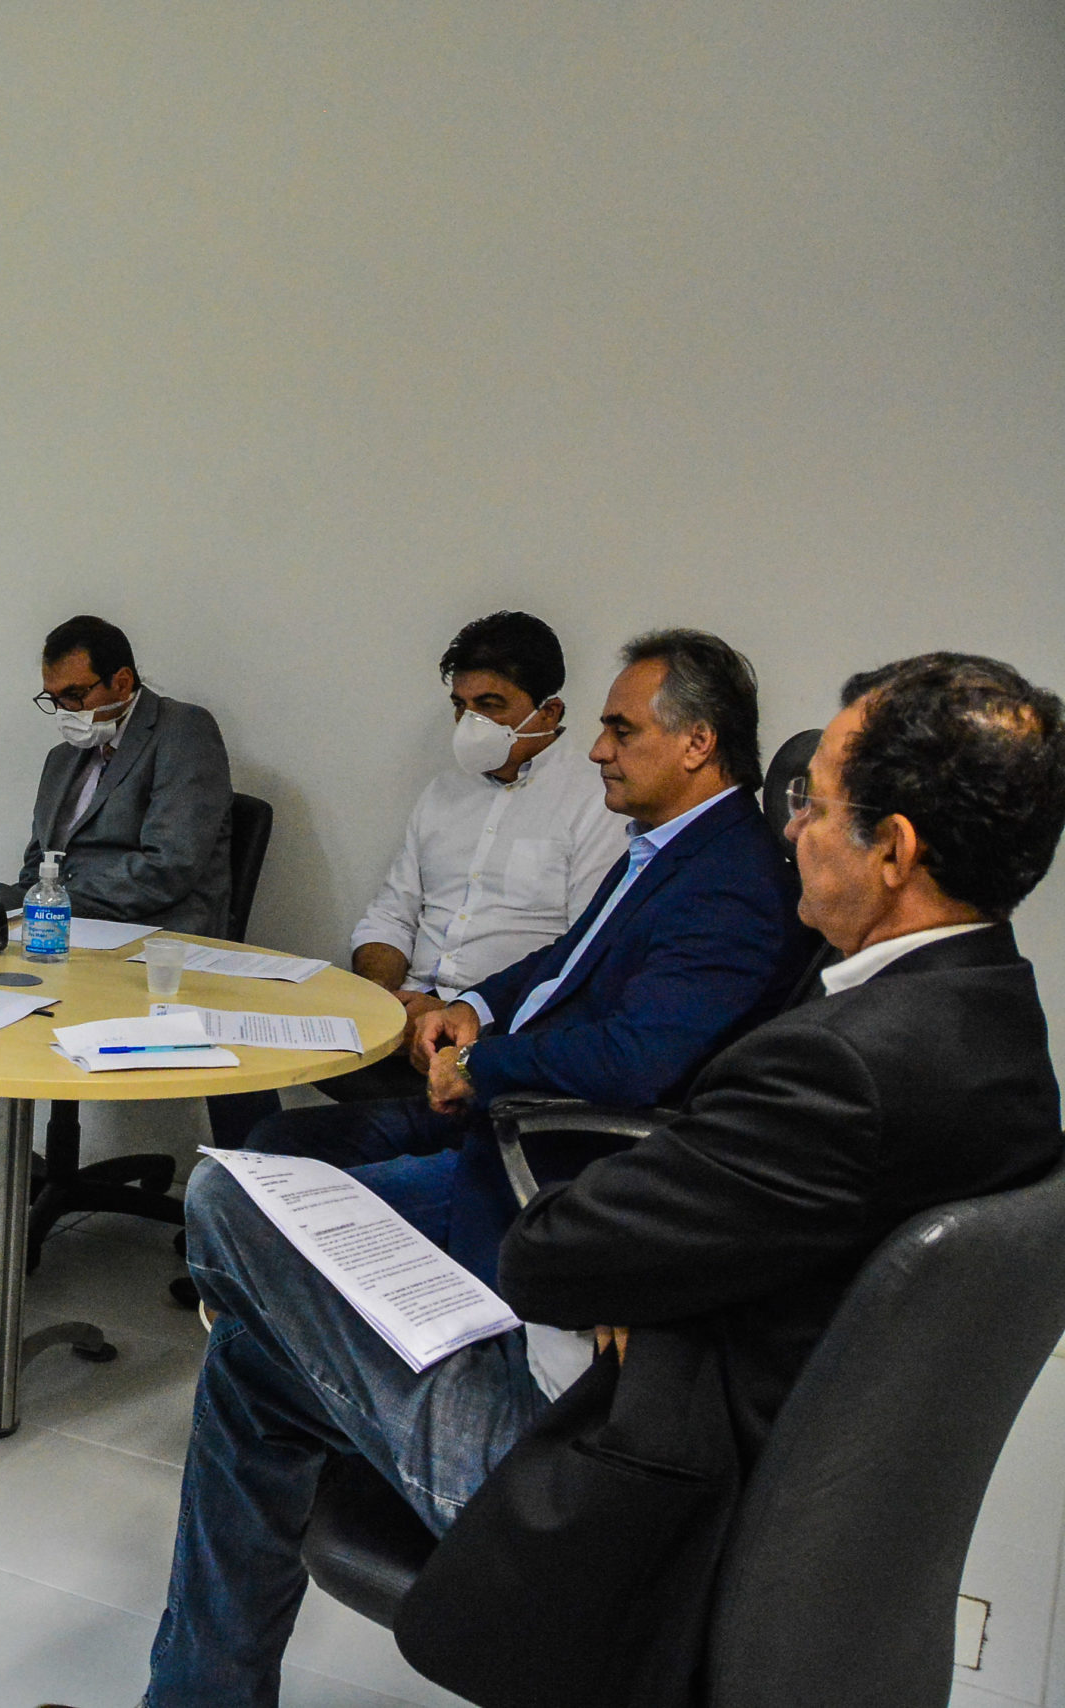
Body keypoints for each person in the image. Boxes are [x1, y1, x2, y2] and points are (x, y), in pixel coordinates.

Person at [146, 651, 1065, 1707]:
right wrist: (659, 1264)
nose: (792, 830)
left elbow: (550, 1257)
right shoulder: (999, 1027)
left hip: (627, 1497)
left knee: (233, 1203)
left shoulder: (839, 1065)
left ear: (892, 850)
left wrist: (641, 1273)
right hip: (768, 1485)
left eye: (813, 805)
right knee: (256, 1361)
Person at [233, 630, 811, 1300]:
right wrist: (471, 1007)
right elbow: (565, 958)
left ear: (698, 743)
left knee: (249, 1202)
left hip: (553, 1151)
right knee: (270, 1148)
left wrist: (479, 1065)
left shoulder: (730, 883)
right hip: (505, 1100)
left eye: (622, 731)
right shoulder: (667, 846)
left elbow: (635, 1059)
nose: (599, 750)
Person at [0, 616, 256, 1279]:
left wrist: (53, 897)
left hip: (154, 941)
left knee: (7, 1002)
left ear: (121, 681)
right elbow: (36, 859)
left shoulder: (183, 732)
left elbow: (169, 868)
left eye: (74, 694)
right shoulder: (62, 758)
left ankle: (245, 1237)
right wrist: (19, 904)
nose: (64, 710)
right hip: (63, 930)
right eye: (52, 697)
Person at [338, 611, 622, 1101]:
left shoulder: (597, 802)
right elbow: (391, 914)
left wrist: (454, 1012)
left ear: (549, 712)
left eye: (490, 705)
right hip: (405, 1015)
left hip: (501, 1033)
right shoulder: (442, 793)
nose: (472, 723)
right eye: (461, 706)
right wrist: (384, 1001)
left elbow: (582, 955)